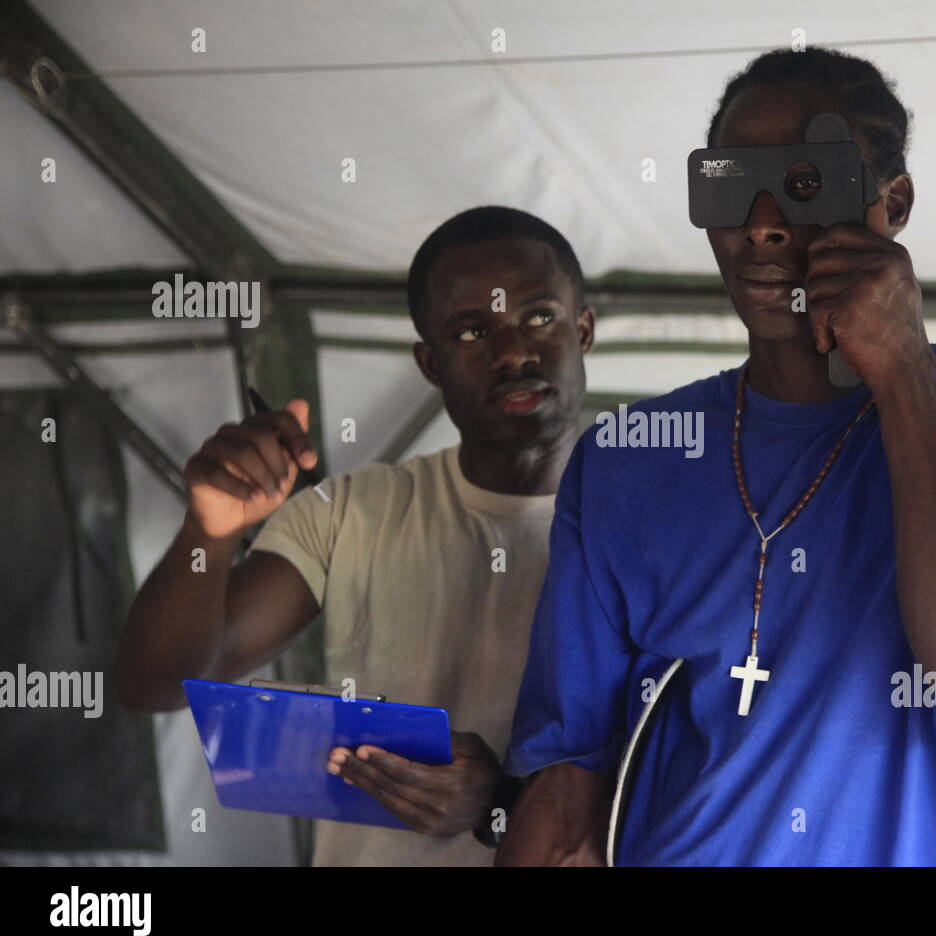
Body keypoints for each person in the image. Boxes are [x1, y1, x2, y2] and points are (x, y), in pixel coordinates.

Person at [499, 48, 936, 866]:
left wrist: (902, 369)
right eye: (727, 184)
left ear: (891, 204)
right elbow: (570, 777)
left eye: (805, 183)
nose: (761, 221)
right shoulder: (625, 458)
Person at [120, 206, 595, 865]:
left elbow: (688, 763)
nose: (512, 351)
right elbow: (156, 685)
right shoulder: (353, 512)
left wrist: (501, 804)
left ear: (584, 329)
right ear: (429, 363)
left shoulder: (656, 524)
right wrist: (209, 531)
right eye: (472, 329)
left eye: (539, 316)